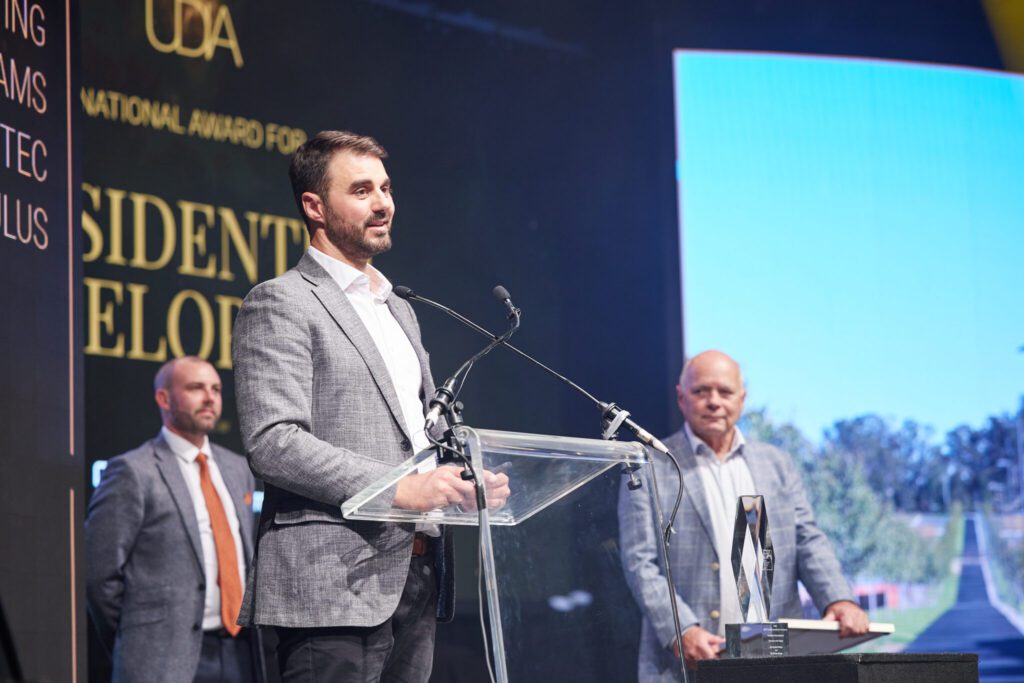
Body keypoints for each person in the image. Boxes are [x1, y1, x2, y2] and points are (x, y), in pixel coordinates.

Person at [231, 130, 509, 683]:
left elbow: (421, 435)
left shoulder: (398, 308)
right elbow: (274, 442)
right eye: (361, 190)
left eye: (385, 188)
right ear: (314, 206)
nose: (383, 203)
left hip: (417, 573)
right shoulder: (282, 301)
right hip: (332, 582)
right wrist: (401, 489)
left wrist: (461, 480)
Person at [618, 350, 869, 680]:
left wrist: (839, 599)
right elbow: (640, 563)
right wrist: (681, 629)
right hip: (688, 663)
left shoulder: (776, 463)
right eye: (701, 391)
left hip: (774, 661)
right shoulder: (648, 465)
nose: (714, 401)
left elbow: (807, 540)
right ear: (681, 397)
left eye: (725, 392)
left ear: (742, 398)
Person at [86, 356, 258, 683]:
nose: (209, 398)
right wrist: (135, 638)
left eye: (216, 389)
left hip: (240, 651)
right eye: (196, 388)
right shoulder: (133, 471)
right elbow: (100, 576)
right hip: (162, 658)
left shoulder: (238, 469)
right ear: (164, 398)